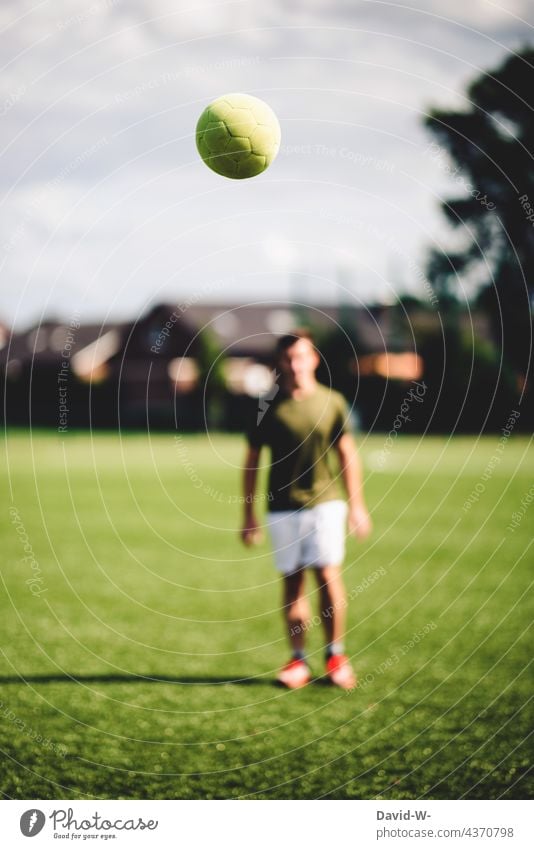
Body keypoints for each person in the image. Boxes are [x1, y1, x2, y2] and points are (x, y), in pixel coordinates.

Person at [240, 329, 372, 689]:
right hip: (281, 509)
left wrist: (358, 505)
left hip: (326, 505)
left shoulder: (332, 402)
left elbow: (348, 455)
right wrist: (248, 515)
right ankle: (298, 660)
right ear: (279, 364)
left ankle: (335, 656)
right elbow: (251, 462)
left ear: (313, 359)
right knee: (293, 583)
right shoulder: (266, 407)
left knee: (328, 577)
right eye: (288, 358)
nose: (295, 364)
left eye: (301, 356)